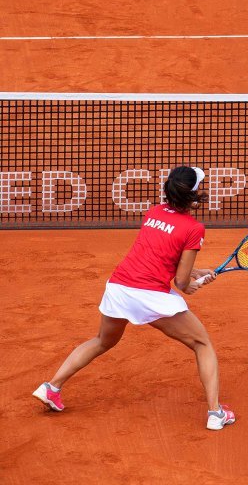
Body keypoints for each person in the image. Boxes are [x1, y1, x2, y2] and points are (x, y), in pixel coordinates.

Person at [32, 166, 235, 431]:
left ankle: (52, 387)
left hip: (119, 288)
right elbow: (181, 282)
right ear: (195, 195)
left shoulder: (153, 213)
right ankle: (215, 413)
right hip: (149, 295)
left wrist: (196, 271)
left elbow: (163, 256)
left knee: (102, 340)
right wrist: (192, 285)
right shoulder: (194, 229)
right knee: (202, 344)